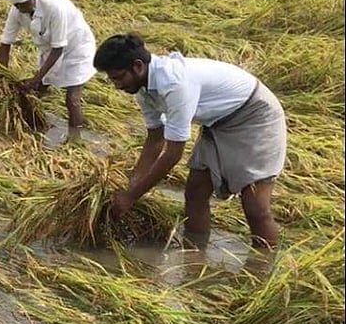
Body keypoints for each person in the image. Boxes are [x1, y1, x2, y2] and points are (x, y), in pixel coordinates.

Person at [93, 34, 288, 248]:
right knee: (195, 192)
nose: (116, 86)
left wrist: (131, 197)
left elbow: (172, 154)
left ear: (137, 66)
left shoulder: (174, 83)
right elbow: (154, 140)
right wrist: (132, 185)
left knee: (255, 206)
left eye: (119, 78)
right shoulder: (143, 89)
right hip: (218, 123)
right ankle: (194, 256)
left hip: (255, 116)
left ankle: (263, 268)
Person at [0, 0, 96, 139]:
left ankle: (75, 139)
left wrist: (36, 78)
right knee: (36, 91)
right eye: (16, 5)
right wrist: (2, 74)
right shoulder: (18, 10)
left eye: (22, 4)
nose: (18, 8)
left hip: (76, 48)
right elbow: (5, 43)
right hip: (51, 48)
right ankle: (34, 124)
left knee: (72, 99)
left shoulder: (55, 7)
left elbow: (59, 48)